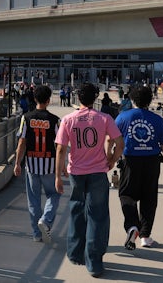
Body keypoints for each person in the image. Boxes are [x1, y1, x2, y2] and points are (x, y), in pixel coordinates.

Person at [55, 83, 124, 278]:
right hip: (97, 172)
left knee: (77, 210)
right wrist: (111, 160)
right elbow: (120, 143)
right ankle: (93, 261)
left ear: (78, 98)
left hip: (76, 172)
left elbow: (60, 149)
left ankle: (75, 252)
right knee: (98, 215)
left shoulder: (68, 120)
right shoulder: (104, 118)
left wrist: (58, 176)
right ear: (95, 98)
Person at [115, 86, 163, 250]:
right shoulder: (157, 120)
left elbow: (113, 139)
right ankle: (145, 236)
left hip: (130, 161)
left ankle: (132, 226)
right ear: (150, 101)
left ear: (133, 100)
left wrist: (109, 157)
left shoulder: (123, 117)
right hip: (152, 162)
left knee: (126, 194)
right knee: (149, 199)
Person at [14, 85, 61, 244]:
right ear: (48, 101)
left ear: (34, 99)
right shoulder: (55, 120)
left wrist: (17, 163)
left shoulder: (26, 118)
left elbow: (22, 142)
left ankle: (36, 233)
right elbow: (59, 145)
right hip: (49, 164)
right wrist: (62, 167)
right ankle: (46, 220)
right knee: (54, 194)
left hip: (31, 164)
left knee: (33, 199)